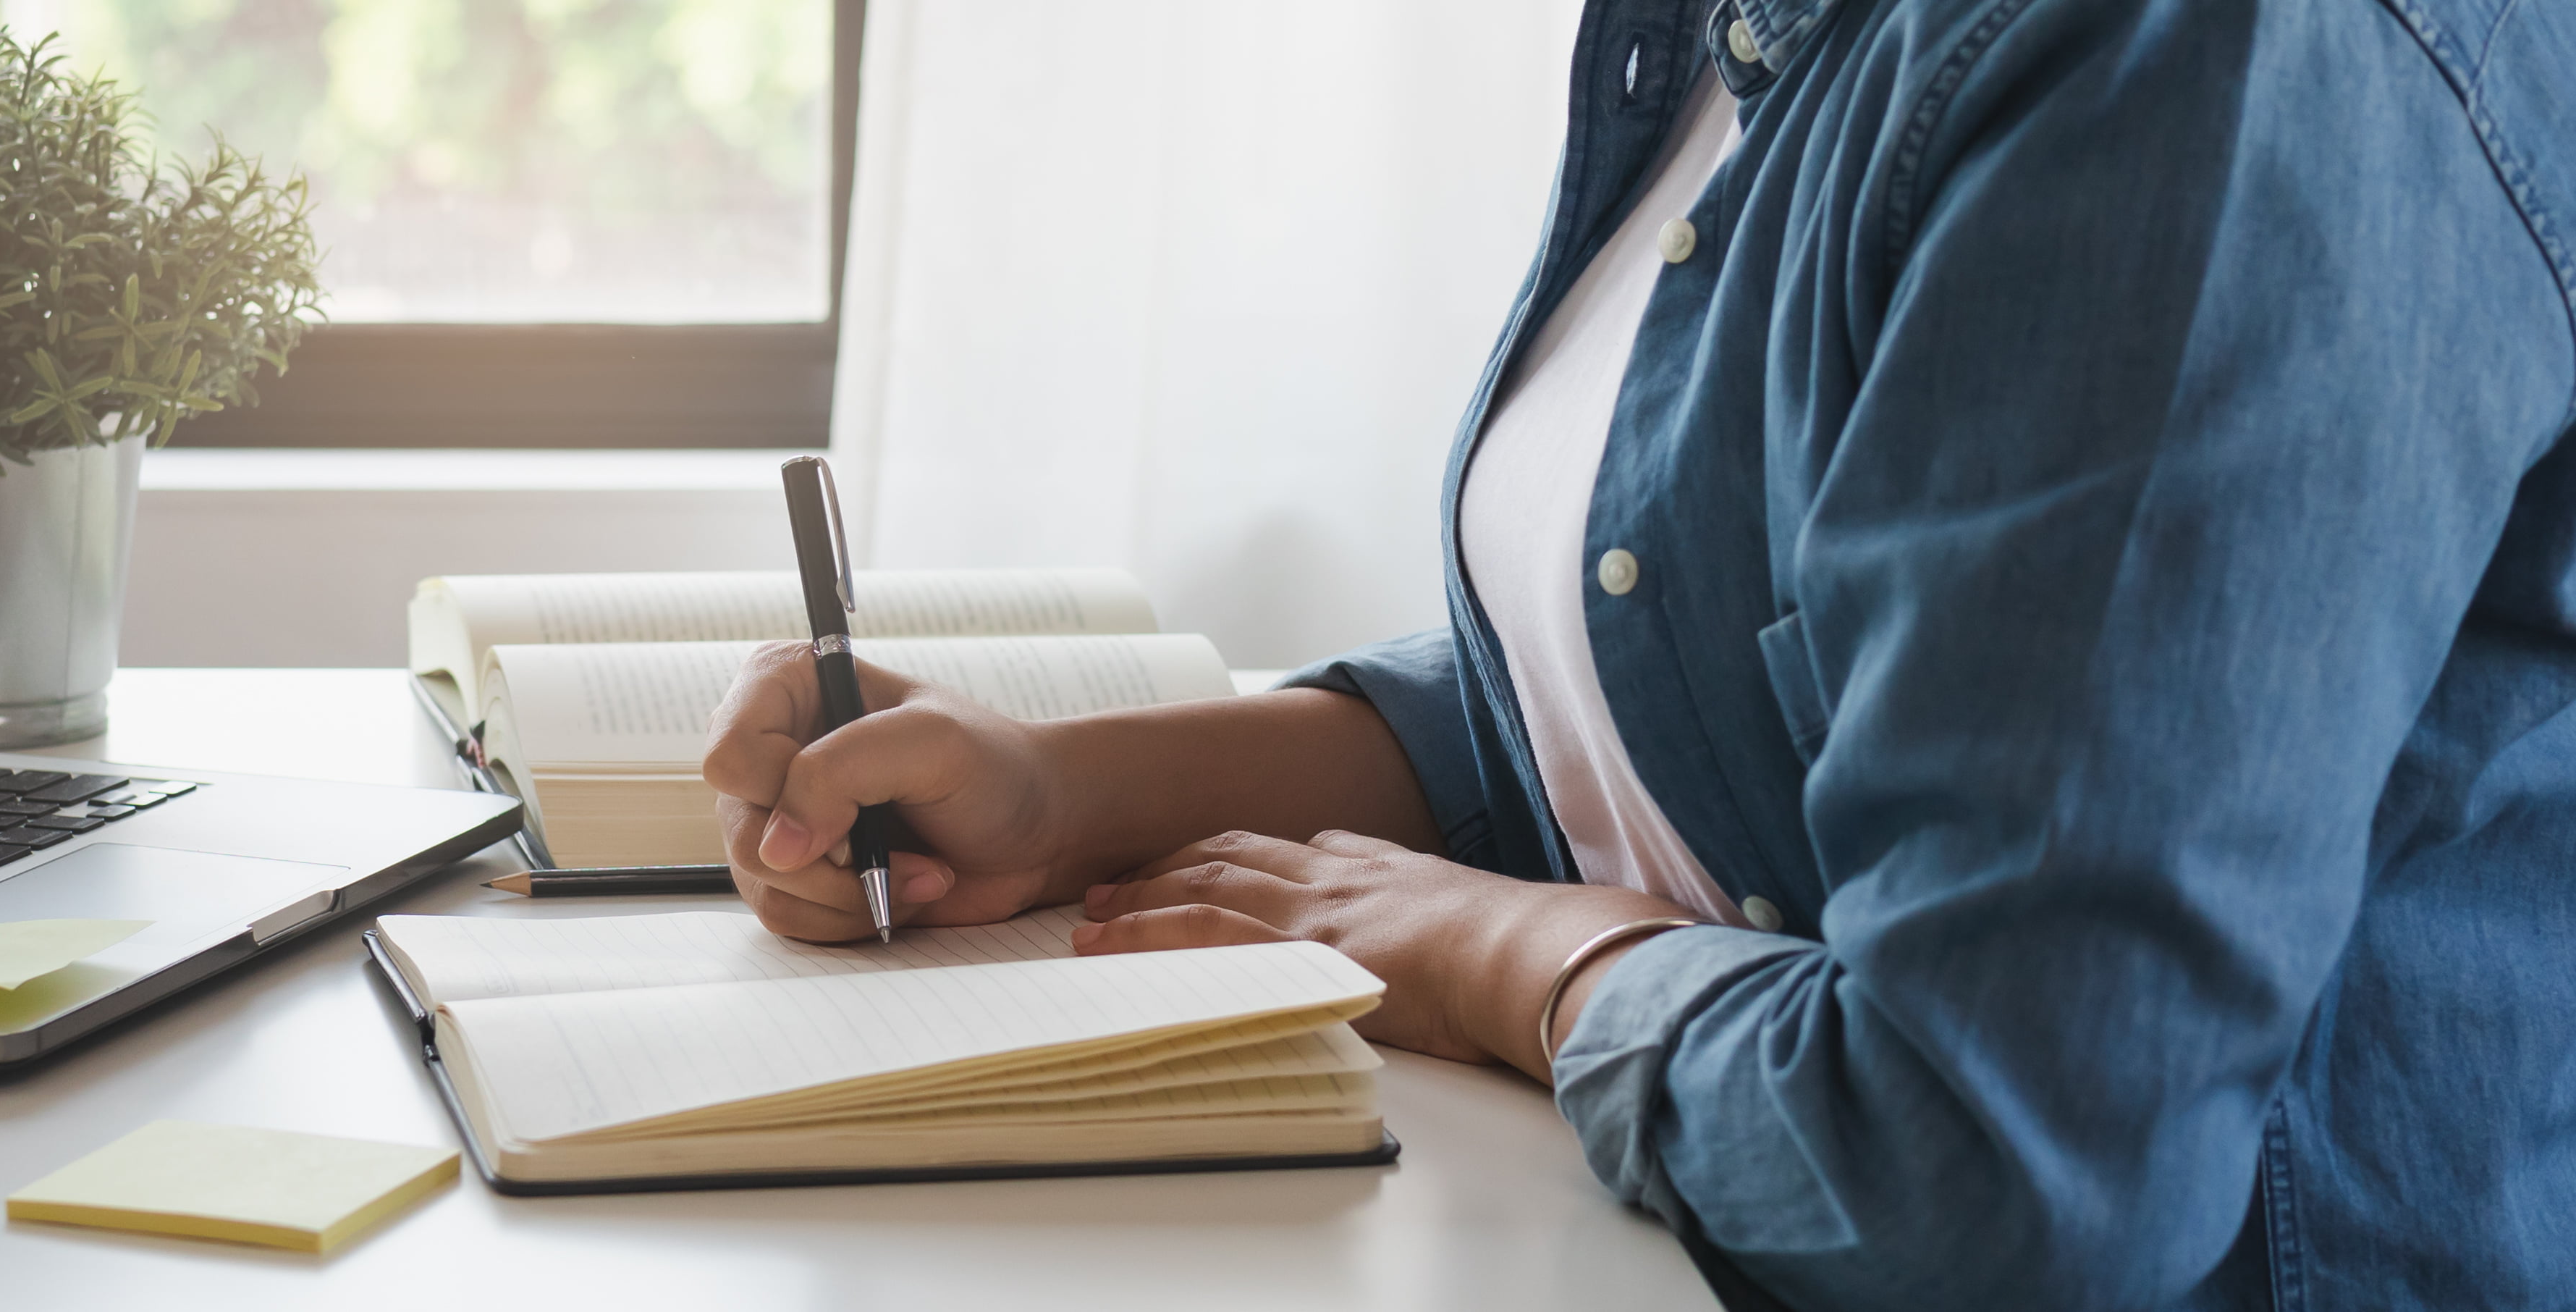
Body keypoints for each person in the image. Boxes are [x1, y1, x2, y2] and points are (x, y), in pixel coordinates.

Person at [699, 0, 2576, 1307]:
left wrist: (1499, 951)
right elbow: (1679, 675)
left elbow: (1998, 1174)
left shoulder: (2213, 66)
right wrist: (1071, 790)